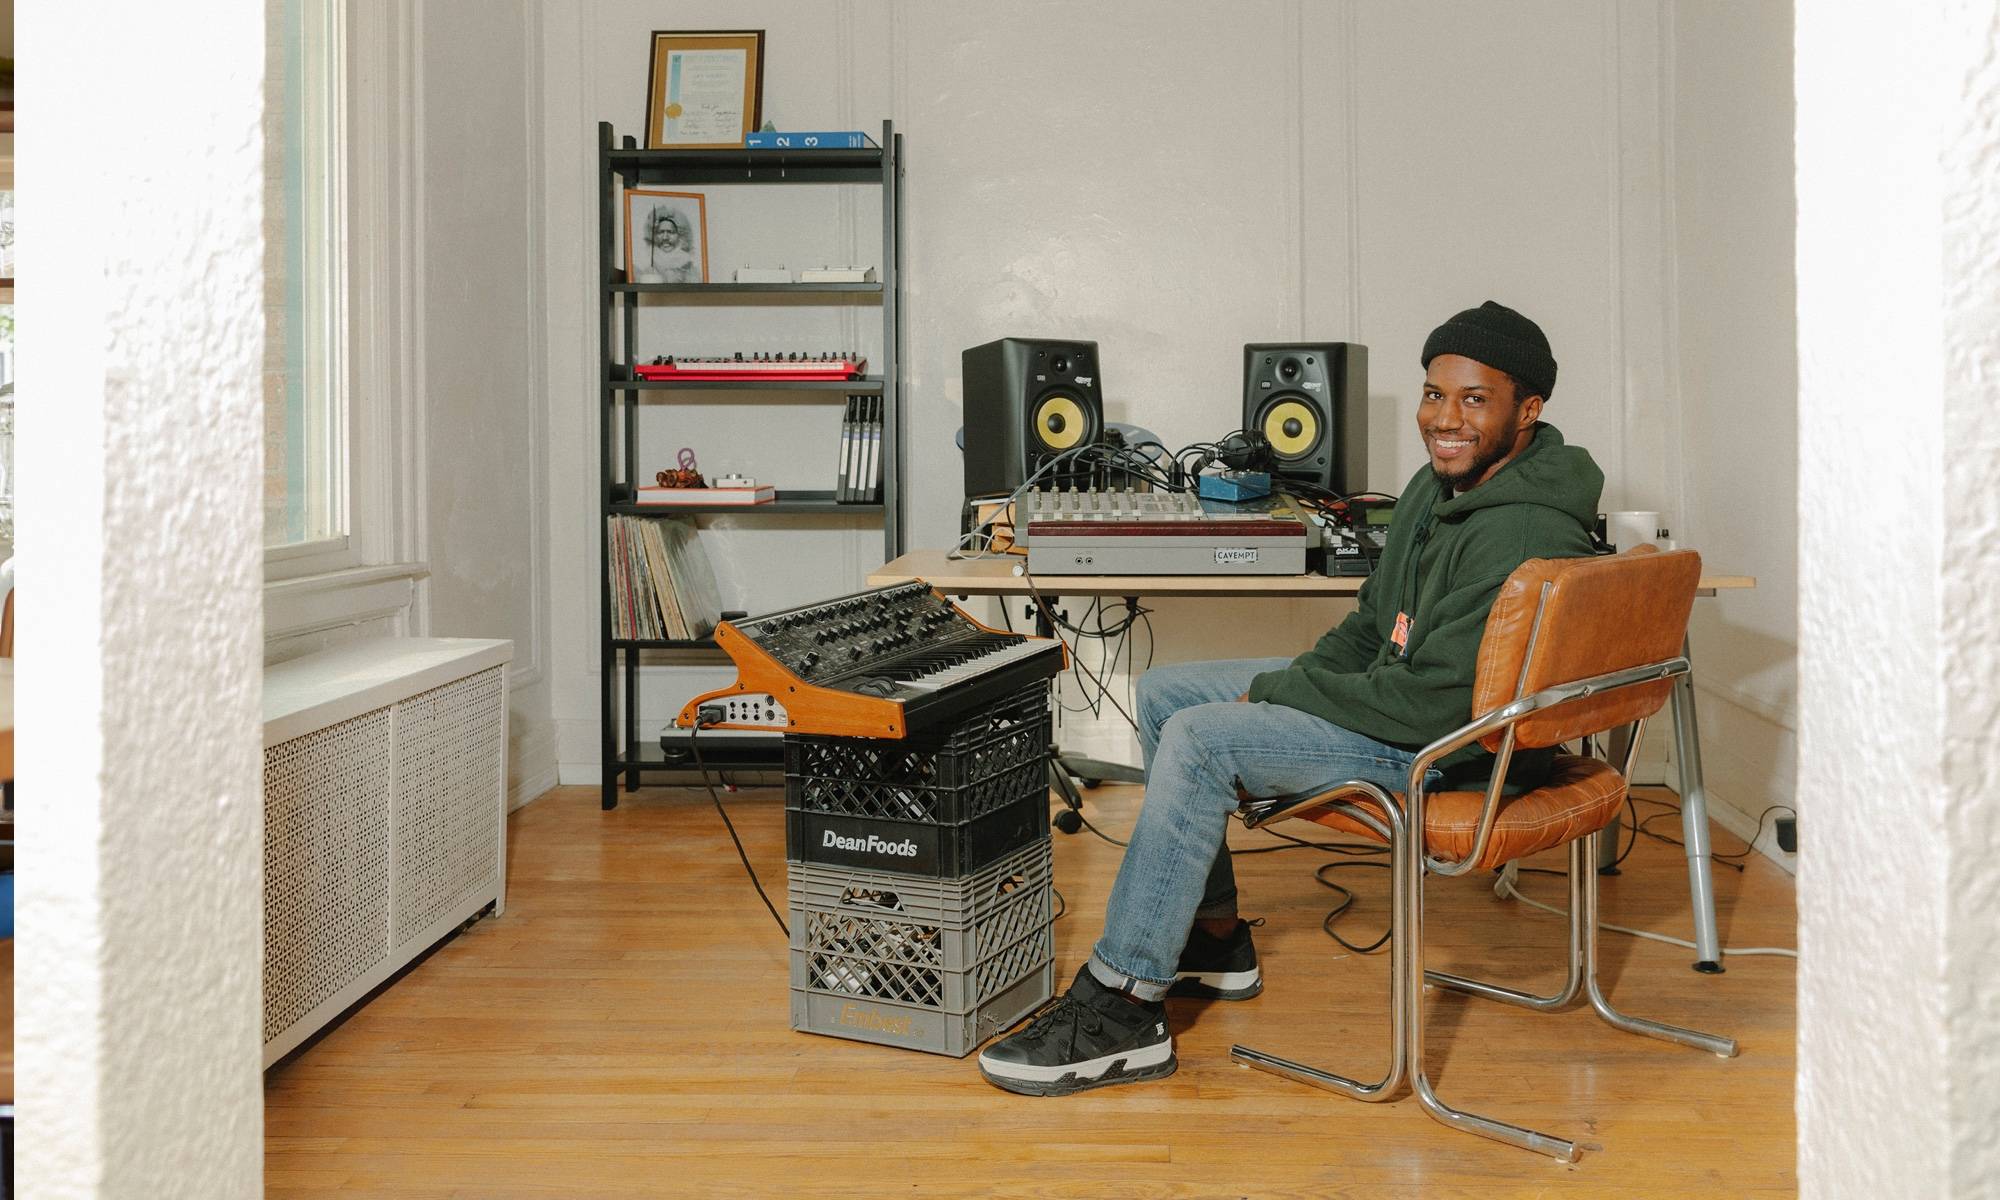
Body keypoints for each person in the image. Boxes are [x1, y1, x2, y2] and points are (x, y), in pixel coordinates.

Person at [977, 301, 1604, 1096]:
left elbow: (1436, 706)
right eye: (1433, 393)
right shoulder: (1436, 485)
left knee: (1205, 740)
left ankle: (1125, 1005)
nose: (1443, 419)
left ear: (1529, 410)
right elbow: (1373, 629)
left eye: (1474, 400)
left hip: (1455, 751)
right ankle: (1213, 939)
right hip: (1405, 703)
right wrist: (1292, 689)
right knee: (1168, 691)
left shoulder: (1517, 530)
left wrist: (1276, 694)